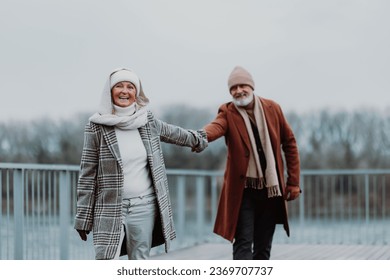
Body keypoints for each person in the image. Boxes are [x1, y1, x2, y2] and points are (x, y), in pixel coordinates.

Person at [74, 67, 208, 260]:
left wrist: (198, 139)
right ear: (109, 91)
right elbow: (87, 174)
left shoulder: (146, 121)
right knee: (105, 260)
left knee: (139, 262)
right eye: (119, 86)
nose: (124, 91)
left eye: (130, 87)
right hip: (109, 207)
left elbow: (175, 134)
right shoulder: (96, 126)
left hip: (143, 206)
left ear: (136, 93)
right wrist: (83, 218)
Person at [202, 66, 300, 260]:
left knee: (263, 249)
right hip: (243, 191)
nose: (238, 91)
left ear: (252, 86)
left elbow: (289, 143)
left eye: (242, 86)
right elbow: (215, 127)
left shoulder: (273, 108)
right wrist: (198, 137)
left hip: (271, 191)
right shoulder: (228, 112)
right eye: (233, 88)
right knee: (243, 246)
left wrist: (294, 182)